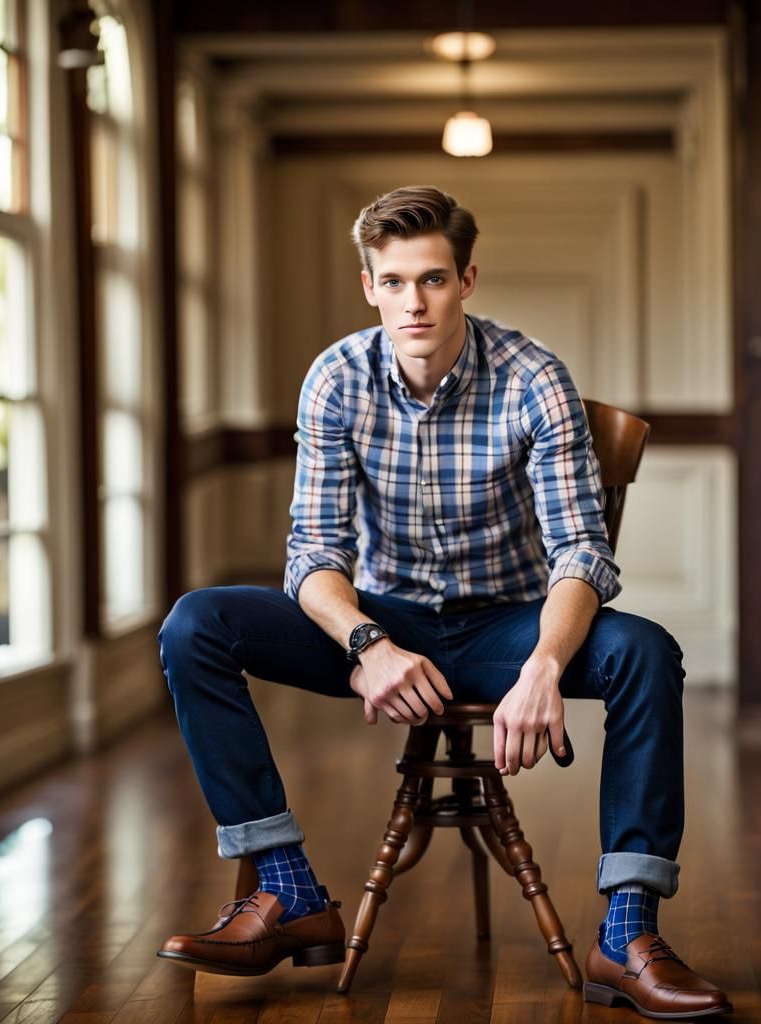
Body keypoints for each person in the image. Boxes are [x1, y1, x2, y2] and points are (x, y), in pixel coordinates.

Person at [155, 185, 732, 1017]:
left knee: (645, 650)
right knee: (196, 623)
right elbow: (314, 554)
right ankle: (285, 888)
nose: (413, 301)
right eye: (393, 281)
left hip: (507, 624)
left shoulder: (533, 376)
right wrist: (366, 645)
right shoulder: (337, 379)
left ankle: (628, 935)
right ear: (369, 286)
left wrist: (543, 663)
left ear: (467, 279)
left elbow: (581, 550)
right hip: (383, 620)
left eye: (432, 279)